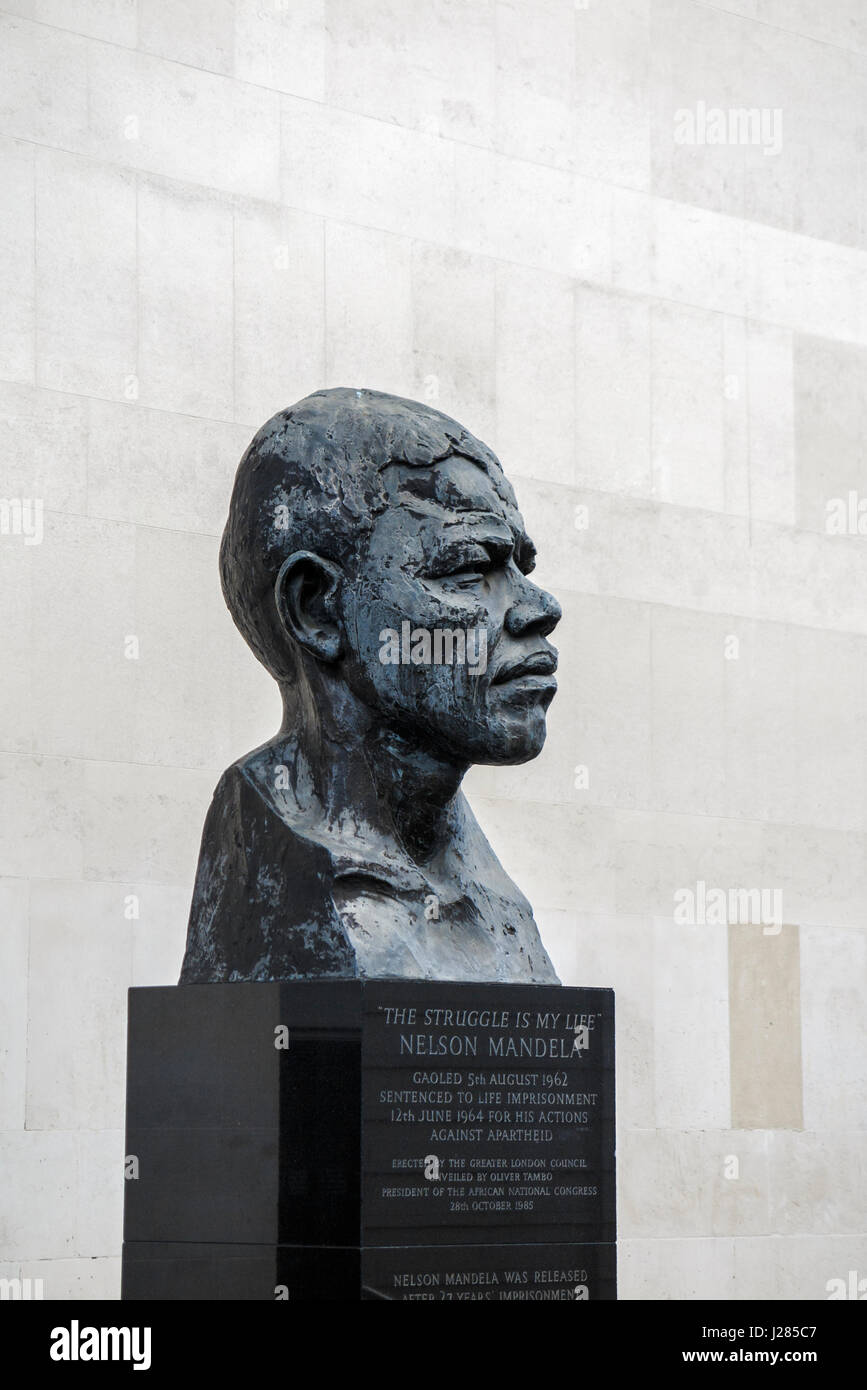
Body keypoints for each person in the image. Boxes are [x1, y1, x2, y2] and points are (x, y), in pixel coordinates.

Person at [180, 387, 562, 983]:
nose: (539, 608)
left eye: (520, 568)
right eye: (467, 569)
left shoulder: (495, 899)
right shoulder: (276, 857)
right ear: (319, 611)